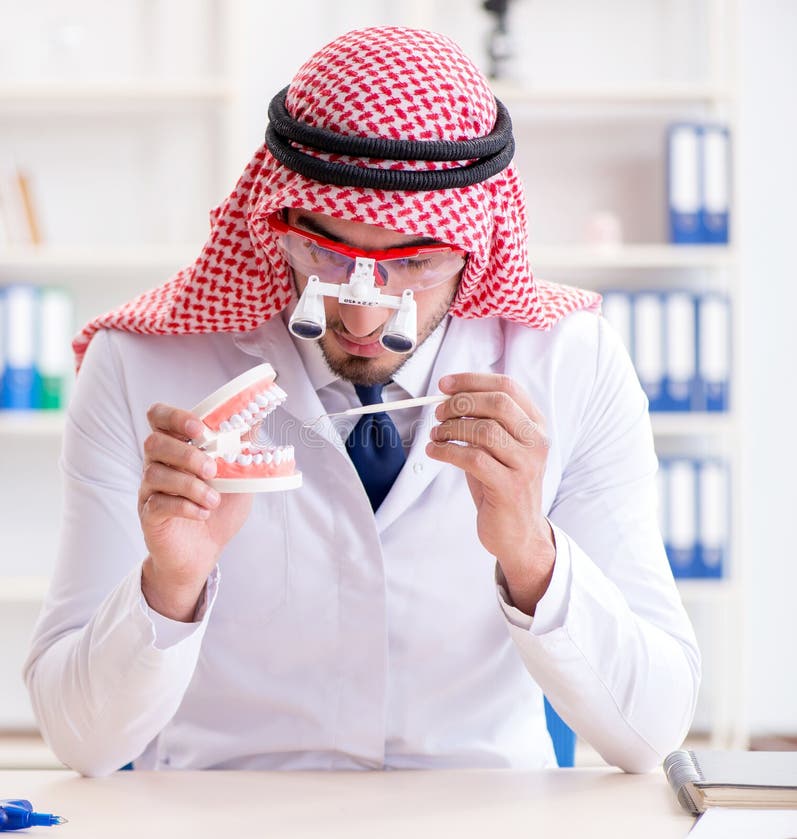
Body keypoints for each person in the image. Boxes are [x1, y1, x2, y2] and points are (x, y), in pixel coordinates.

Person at [24, 27, 700, 777]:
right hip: (228, 816)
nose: (363, 317)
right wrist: (169, 587)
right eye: (323, 252)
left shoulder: (574, 362)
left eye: (412, 262)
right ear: (277, 220)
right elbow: (79, 741)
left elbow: (652, 731)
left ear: (475, 244)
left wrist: (532, 555)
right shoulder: (139, 367)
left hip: (480, 820)